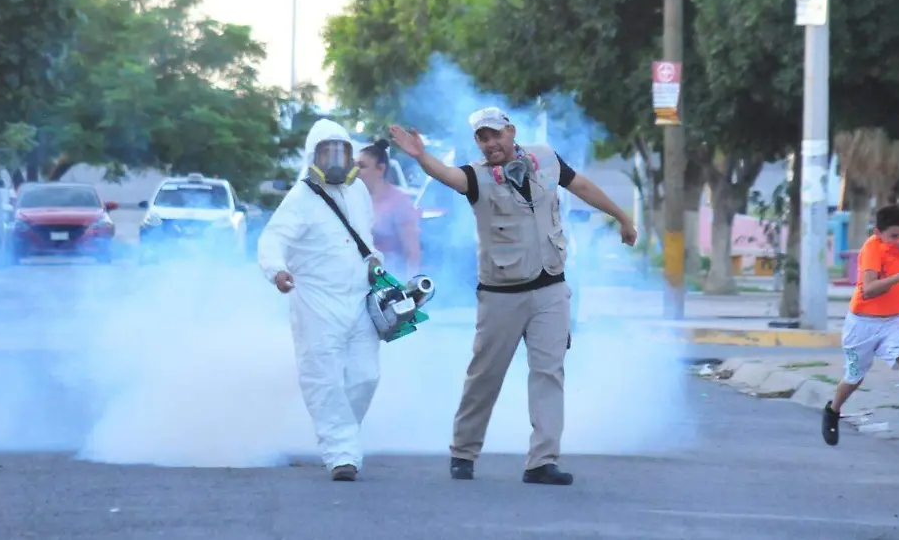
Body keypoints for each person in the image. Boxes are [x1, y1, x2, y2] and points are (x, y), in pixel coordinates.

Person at [389, 106, 638, 486]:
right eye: (482, 138)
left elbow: (581, 186)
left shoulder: (546, 159)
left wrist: (622, 216)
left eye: (496, 135)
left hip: (551, 287)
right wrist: (422, 156)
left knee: (549, 373)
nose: (491, 143)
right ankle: (464, 451)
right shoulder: (476, 176)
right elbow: (448, 175)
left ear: (511, 132)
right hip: (501, 294)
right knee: (485, 376)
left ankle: (542, 461)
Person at [257, 118, 383, 482]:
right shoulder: (300, 198)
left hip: (360, 299)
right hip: (316, 301)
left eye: (340, 151)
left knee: (365, 376)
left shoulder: (358, 193)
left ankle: (344, 437)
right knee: (324, 379)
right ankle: (341, 453)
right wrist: (276, 271)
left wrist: (375, 262)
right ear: (312, 155)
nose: (334, 160)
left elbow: (365, 238)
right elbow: (272, 240)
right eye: (326, 152)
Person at [822, 204, 899, 447]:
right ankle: (833, 410)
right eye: (893, 236)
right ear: (878, 232)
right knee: (854, 378)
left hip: (892, 320)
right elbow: (868, 290)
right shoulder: (872, 249)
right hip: (863, 323)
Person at [356, 139, 422, 278]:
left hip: (388, 279)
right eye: (354, 165)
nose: (355, 171)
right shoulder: (353, 198)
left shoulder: (399, 201)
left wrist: (409, 287)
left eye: (362, 166)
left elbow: (412, 252)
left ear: (380, 169)